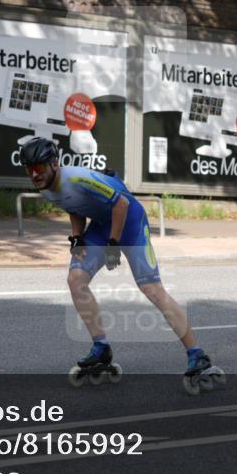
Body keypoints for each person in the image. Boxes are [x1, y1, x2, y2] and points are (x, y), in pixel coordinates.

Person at [20, 137, 222, 393]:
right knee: (75, 280)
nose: (34, 175)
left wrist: (113, 246)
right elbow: (74, 206)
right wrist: (77, 237)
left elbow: (122, 203)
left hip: (130, 222)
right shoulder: (47, 186)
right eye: (29, 169)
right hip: (103, 225)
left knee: (152, 289)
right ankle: (101, 348)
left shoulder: (76, 178)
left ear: (54, 163)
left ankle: (197, 355)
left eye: (38, 168)